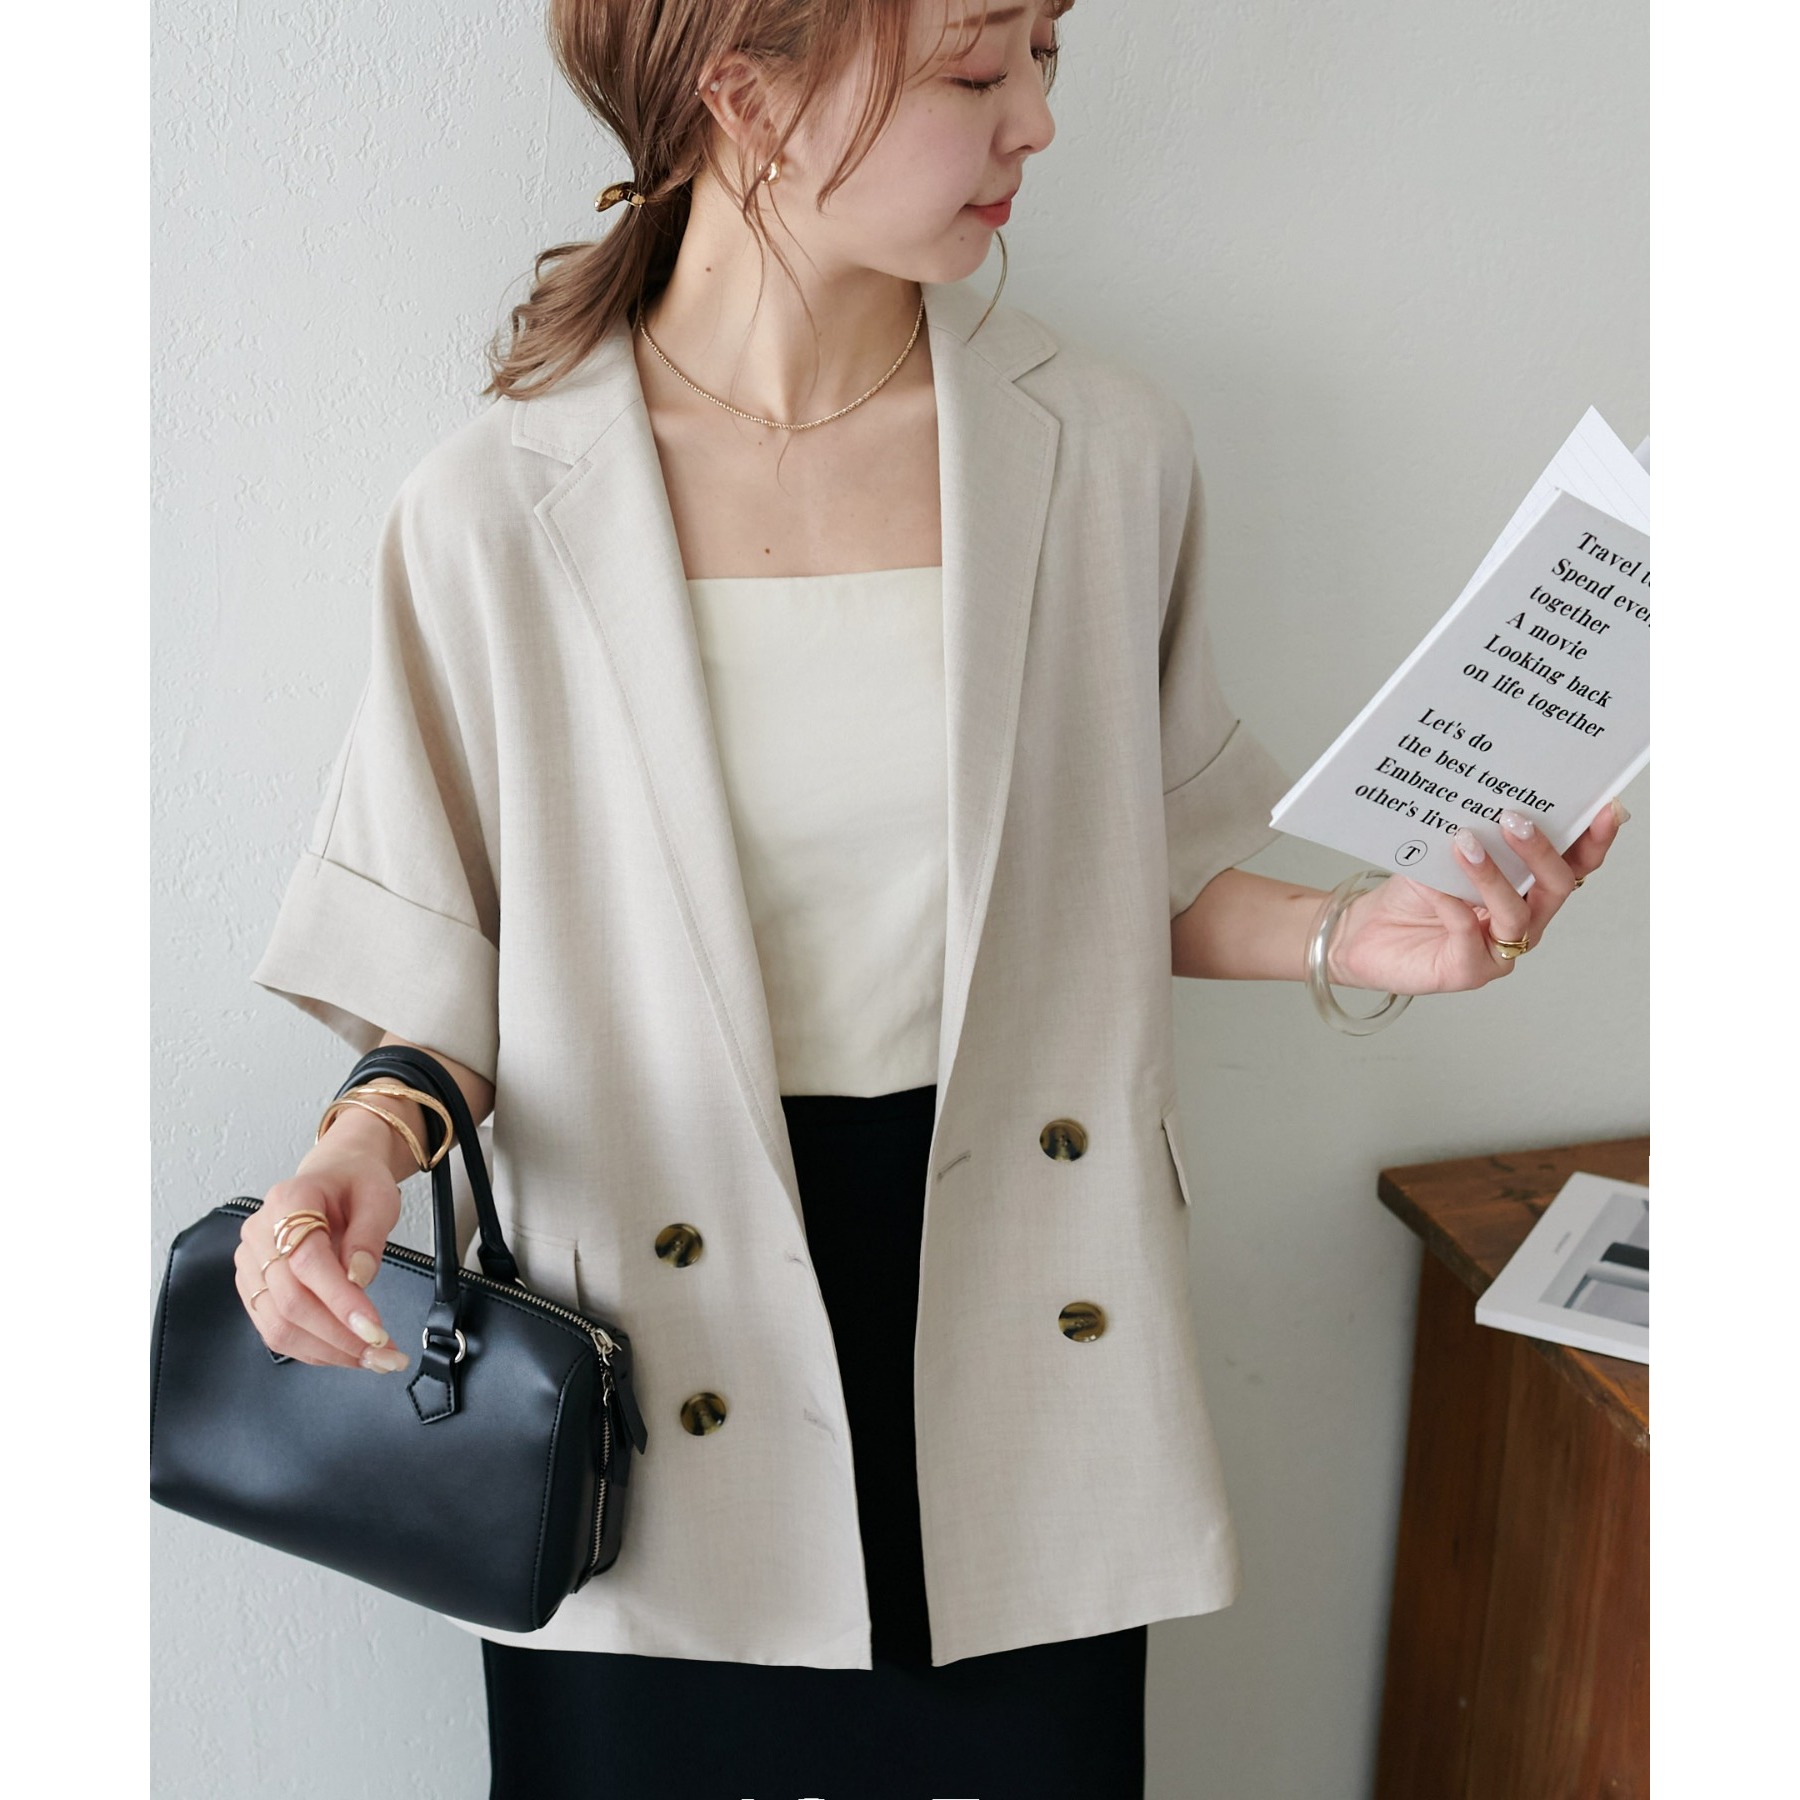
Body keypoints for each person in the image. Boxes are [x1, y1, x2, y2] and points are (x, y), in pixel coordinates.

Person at [233, 2, 1632, 1795]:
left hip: (1018, 1295)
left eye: (1048, 55)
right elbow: (444, 965)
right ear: (745, 93)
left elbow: (1139, 864)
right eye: (978, 71)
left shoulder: (1099, 447)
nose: (1035, 121)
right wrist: (356, 1153)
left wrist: (1360, 934)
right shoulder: (499, 507)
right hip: (653, 1325)